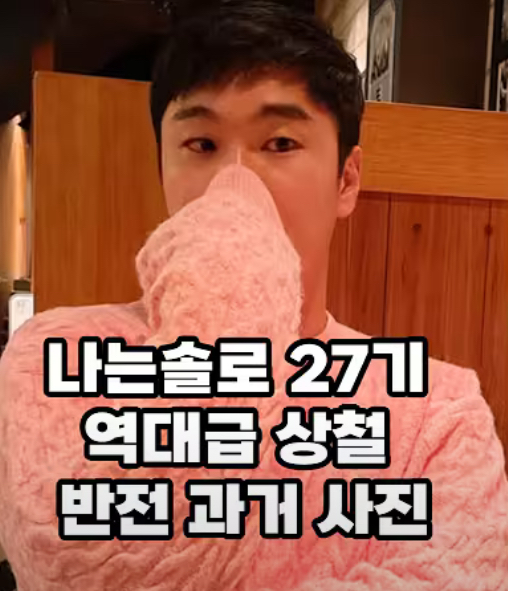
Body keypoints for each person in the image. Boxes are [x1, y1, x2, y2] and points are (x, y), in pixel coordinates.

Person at [1, 1, 507, 590]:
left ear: (346, 180)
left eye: (281, 143)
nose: (234, 185)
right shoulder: (54, 356)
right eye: (201, 144)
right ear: (161, 169)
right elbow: (82, 562)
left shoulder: (438, 413)